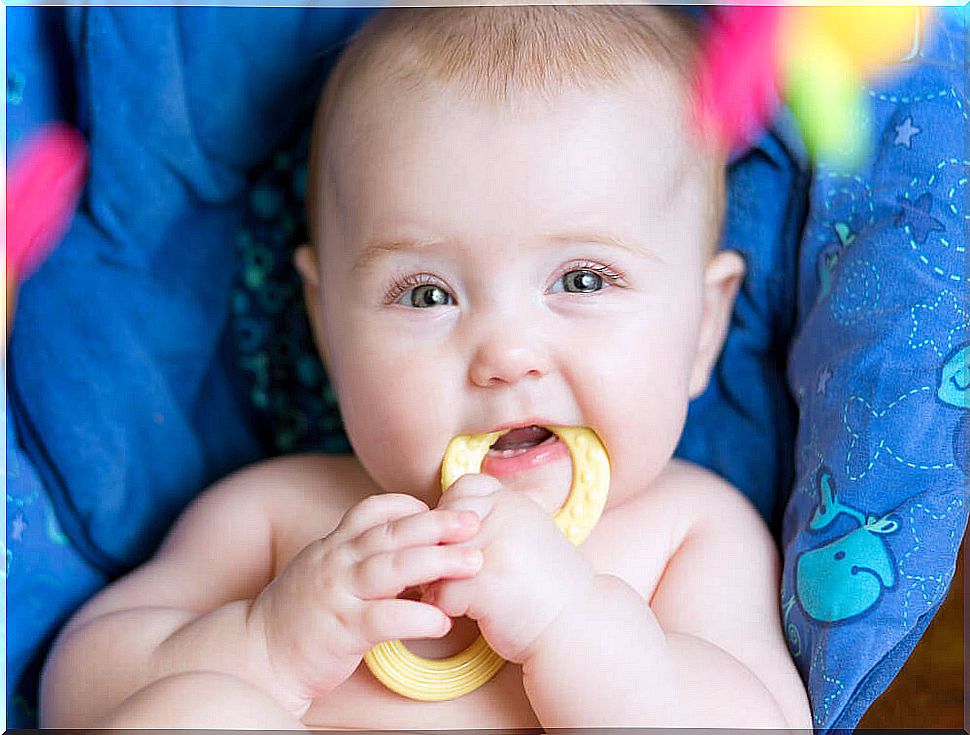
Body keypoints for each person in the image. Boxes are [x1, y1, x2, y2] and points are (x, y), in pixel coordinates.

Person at [39, 6, 812, 730]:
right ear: (327, 323)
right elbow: (74, 694)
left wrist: (573, 624)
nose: (506, 355)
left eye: (581, 280)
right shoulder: (277, 519)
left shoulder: (687, 533)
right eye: (427, 292)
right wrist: (264, 644)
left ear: (704, 326)